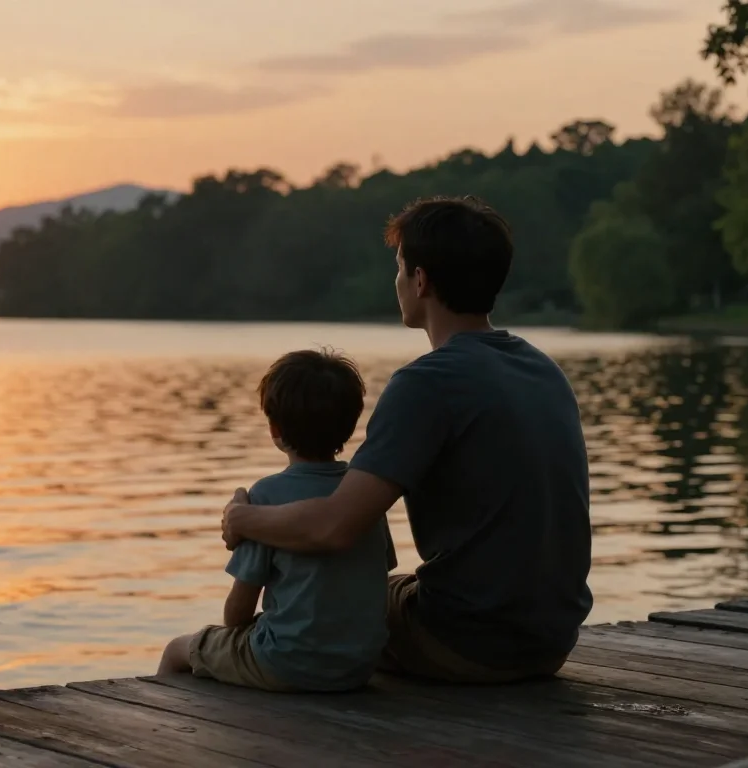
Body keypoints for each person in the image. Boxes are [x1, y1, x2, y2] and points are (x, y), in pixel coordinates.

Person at [221, 196, 593, 683]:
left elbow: (333, 527)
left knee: (322, 613)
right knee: (365, 591)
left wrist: (244, 518)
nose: (397, 282)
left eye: (400, 269)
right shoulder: (543, 369)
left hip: (470, 643)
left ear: (420, 281)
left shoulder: (427, 383)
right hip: (550, 642)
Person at [158, 349, 394, 691]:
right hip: (358, 665)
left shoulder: (266, 497)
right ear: (350, 423)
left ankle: (157, 729)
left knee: (178, 650)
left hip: (288, 663)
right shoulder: (361, 495)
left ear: (275, 429)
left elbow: (237, 615)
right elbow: (376, 576)